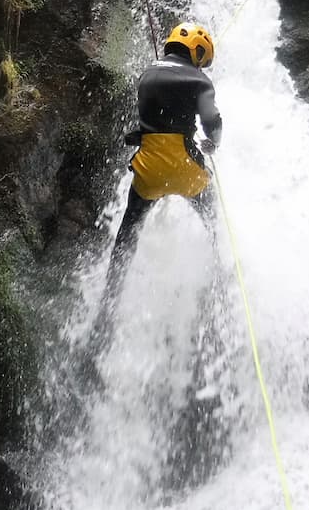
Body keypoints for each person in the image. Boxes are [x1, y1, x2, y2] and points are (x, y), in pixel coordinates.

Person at [91, 22, 222, 357]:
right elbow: (212, 121)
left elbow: (150, 123)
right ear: (197, 51)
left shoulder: (146, 75)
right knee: (213, 220)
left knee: (128, 231)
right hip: (187, 169)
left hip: (148, 170)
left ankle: (108, 305)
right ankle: (222, 276)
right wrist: (213, 142)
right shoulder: (199, 80)